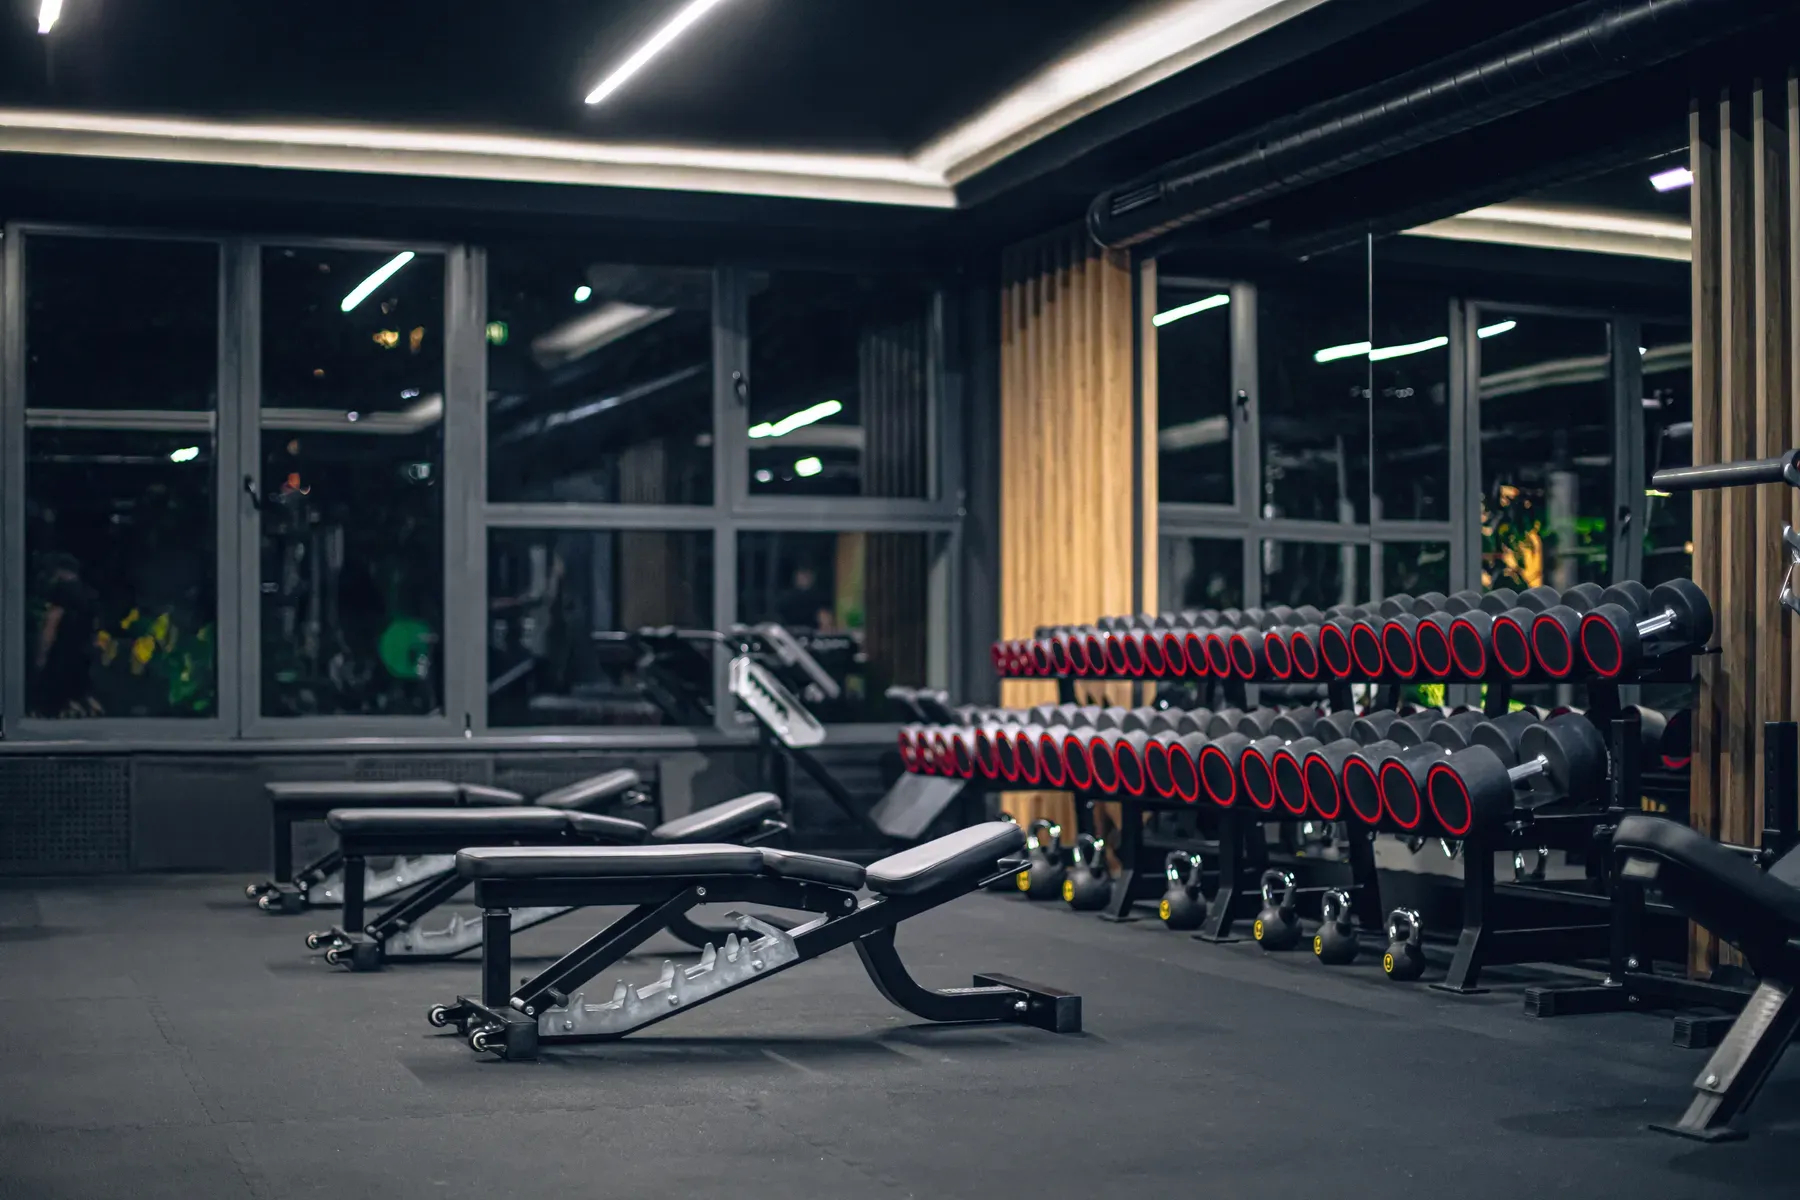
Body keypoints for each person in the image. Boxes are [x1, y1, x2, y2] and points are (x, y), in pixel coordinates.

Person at [30, 552, 101, 718]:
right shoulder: (89, 593)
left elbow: (52, 623)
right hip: (83, 653)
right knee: (77, 692)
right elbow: (96, 626)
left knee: (53, 701)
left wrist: (41, 654)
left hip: (61, 653)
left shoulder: (62, 591)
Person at [774, 565, 833, 631]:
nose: (804, 578)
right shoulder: (786, 598)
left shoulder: (819, 597)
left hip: (812, 633)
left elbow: (824, 619)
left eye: (807, 575)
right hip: (790, 633)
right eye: (802, 574)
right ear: (796, 576)